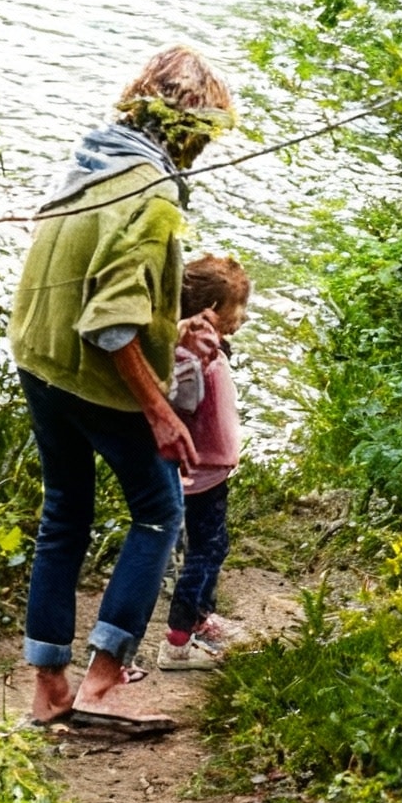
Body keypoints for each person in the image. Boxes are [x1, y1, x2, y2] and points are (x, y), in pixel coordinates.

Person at [9, 46, 233, 735]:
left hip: (38, 357)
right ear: (191, 128)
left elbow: (96, 284)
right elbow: (108, 323)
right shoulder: (153, 194)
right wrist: (161, 411)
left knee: (65, 514)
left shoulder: (92, 161)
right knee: (160, 513)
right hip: (90, 375)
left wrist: (170, 323)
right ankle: (105, 682)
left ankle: (50, 687)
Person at [160, 254, 250, 670]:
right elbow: (186, 399)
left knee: (211, 545)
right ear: (211, 311)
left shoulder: (198, 346)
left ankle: (201, 619)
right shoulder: (191, 353)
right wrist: (201, 356)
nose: (243, 317)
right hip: (201, 472)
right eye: (239, 307)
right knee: (206, 548)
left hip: (211, 468)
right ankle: (178, 639)